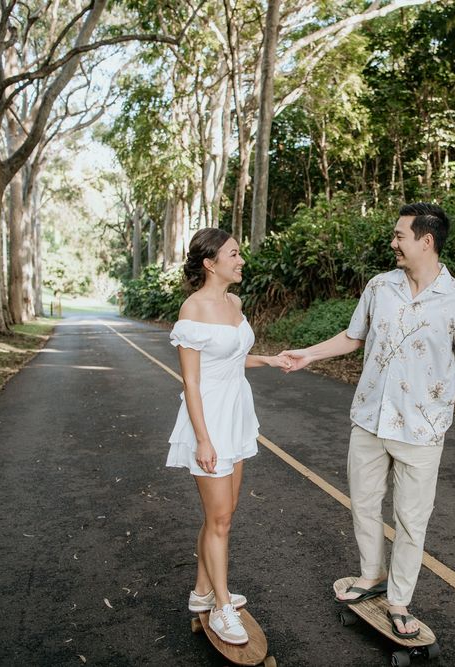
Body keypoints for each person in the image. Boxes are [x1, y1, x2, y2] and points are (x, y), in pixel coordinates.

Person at [282, 202, 455, 639]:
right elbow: (352, 337)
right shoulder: (379, 287)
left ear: (426, 240)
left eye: (400, 235)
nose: (393, 242)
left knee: (412, 520)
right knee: (363, 503)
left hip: (422, 428)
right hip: (370, 418)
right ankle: (371, 574)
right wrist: (309, 354)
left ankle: (398, 601)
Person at [167, 227, 290, 645]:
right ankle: (221, 608)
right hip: (210, 419)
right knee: (218, 519)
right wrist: (203, 439)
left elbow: (234, 359)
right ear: (210, 263)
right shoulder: (193, 310)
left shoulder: (235, 302)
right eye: (234, 254)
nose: (241, 260)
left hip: (237, 414)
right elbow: (193, 382)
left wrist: (270, 360)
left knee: (225, 513)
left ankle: (202, 593)